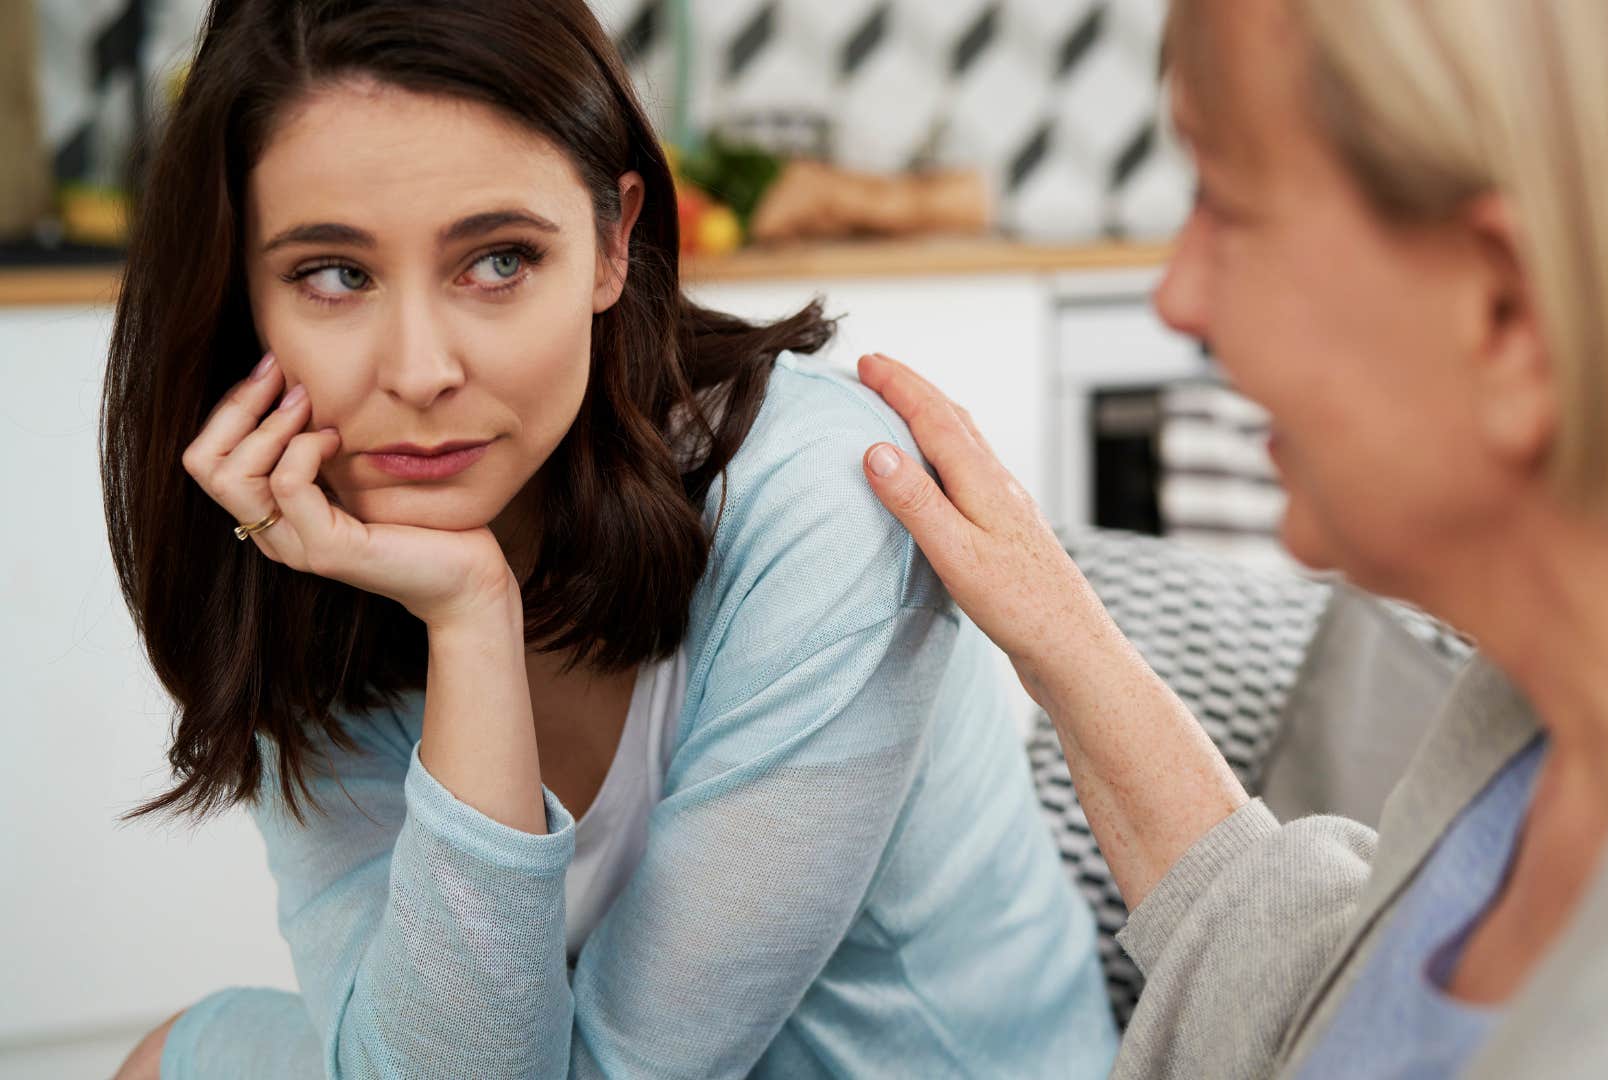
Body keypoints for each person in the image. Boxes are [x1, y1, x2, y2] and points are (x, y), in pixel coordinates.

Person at [854, 0, 1608, 1075]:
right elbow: (1326, 1005)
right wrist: (1060, 635)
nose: (1176, 297)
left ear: (1505, 310)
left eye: (1227, 203)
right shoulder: (1542, 719)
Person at [101, 1, 1117, 1077]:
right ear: (246, 297)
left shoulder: (821, 502)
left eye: (496, 261)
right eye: (336, 275)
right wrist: (468, 616)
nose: (418, 371)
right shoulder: (308, 540)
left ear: (611, 244)